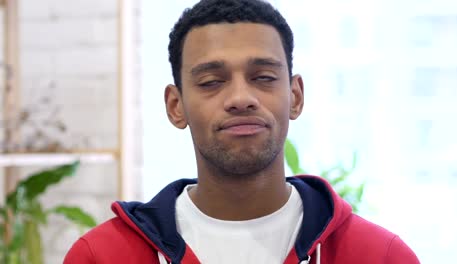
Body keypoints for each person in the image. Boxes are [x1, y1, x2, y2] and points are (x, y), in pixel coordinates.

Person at [64, 0, 420, 263]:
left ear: (294, 97)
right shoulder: (101, 256)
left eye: (263, 78)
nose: (240, 98)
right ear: (176, 106)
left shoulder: (380, 255)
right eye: (211, 81)